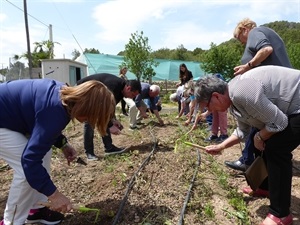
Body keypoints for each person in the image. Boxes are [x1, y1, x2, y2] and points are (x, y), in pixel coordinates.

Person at [0, 78, 116, 225]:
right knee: (25, 170)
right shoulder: (55, 109)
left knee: (42, 155)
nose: (89, 121)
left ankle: (36, 209)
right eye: (91, 116)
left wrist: (63, 144)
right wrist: (54, 195)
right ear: (86, 107)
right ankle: (11, 222)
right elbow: (30, 161)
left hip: (12, 118)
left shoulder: (66, 99)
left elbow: (43, 125)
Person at [194, 66, 299, 225]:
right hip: (288, 110)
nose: (209, 110)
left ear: (216, 96)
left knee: (276, 148)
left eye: (207, 106)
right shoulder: (233, 100)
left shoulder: (242, 92)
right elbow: (243, 131)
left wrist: (259, 136)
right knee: (258, 141)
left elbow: (280, 122)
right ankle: (265, 187)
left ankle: (281, 214)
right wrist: (221, 146)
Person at [225, 17, 292, 172]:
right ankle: (253, 162)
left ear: (244, 29)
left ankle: (249, 161)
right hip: (277, 88)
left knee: (261, 123)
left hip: (274, 88)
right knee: (265, 126)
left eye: (239, 38)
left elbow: (266, 49)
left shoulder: (256, 32)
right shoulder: (264, 32)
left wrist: (247, 66)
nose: (241, 42)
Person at [77, 73, 141, 160]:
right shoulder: (113, 86)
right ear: (128, 88)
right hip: (84, 92)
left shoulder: (121, 91)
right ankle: (89, 152)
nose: (131, 98)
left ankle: (109, 148)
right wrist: (110, 126)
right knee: (90, 120)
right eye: (133, 95)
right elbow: (103, 108)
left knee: (106, 120)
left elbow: (110, 107)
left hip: (95, 97)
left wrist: (113, 120)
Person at [204, 74, 228, 143]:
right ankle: (214, 134)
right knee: (215, 117)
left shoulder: (221, 86)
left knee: (222, 117)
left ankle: (224, 134)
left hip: (222, 103)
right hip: (215, 103)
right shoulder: (211, 88)